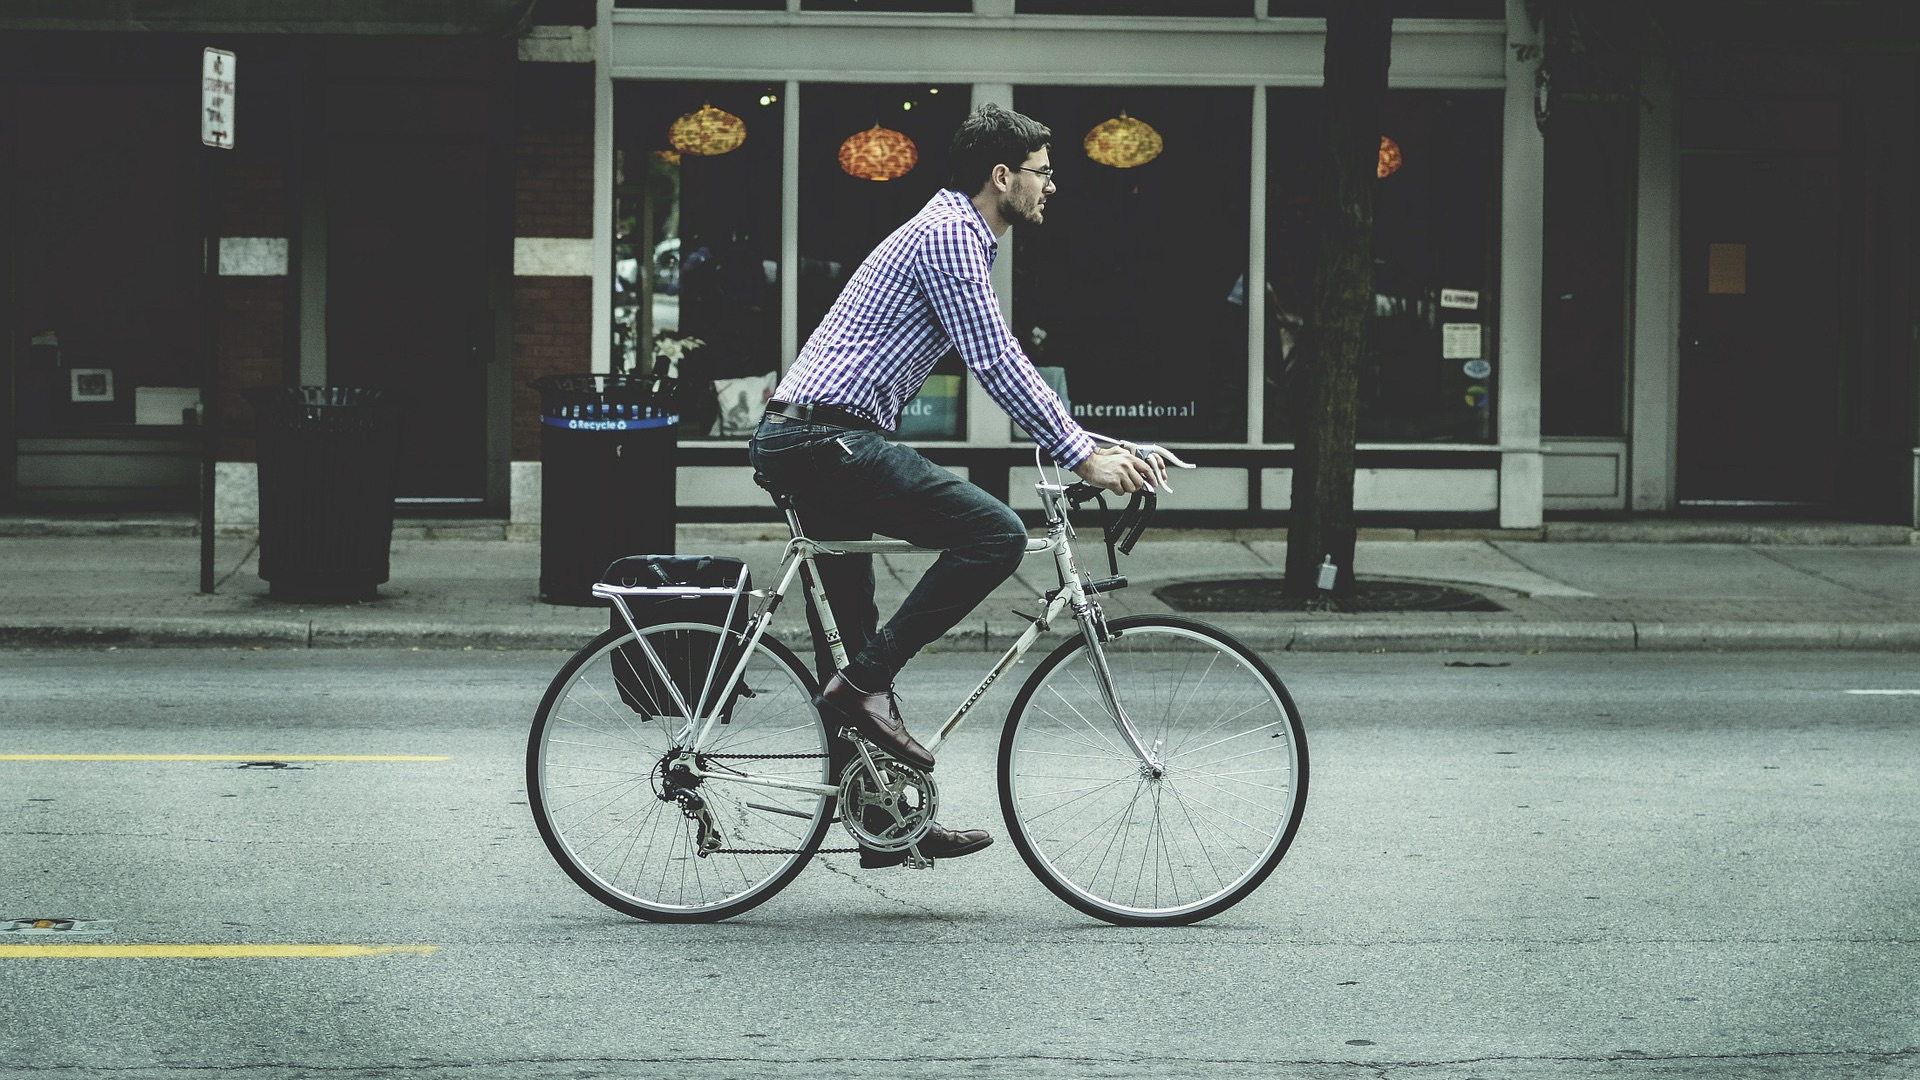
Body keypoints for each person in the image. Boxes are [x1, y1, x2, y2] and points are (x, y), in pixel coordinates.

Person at [747, 102, 1166, 868]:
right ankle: (862, 692)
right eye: (1042, 171)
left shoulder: (957, 234)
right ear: (1001, 176)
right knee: (995, 534)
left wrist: (1104, 446)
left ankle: (881, 816)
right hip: (825, 439)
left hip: (819, 437)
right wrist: (1081, 457)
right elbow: (998, 361)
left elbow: (1001, 362)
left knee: (856, 632)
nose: (1052, 185)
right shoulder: (950, 237)